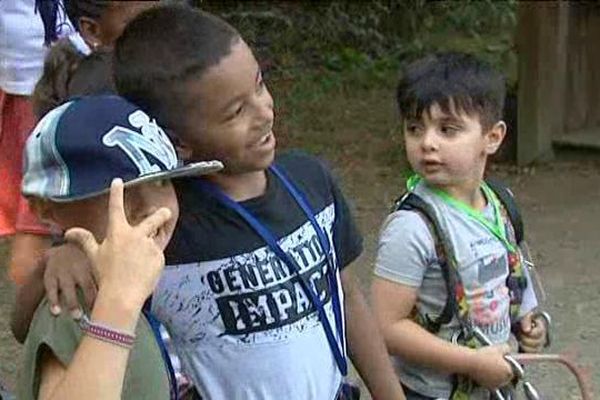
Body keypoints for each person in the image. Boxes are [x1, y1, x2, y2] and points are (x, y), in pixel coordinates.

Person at [15, 5, 406, 400]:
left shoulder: (311, 180)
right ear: (178, 141)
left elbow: (347, 296)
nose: (264, 112)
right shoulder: (165, 224)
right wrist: (65, 252)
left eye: (259, 84)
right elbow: (28, 326)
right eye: (236, 111)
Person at [15, 94, 222, 400]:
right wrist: (117, 304)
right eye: (121, 194)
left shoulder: (155, 263)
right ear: (47, 208)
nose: (152, 208)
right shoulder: (77, 300)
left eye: (162, 182)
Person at [370, 53, 549, 400]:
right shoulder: (412, 228)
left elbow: (510, 269)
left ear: (492, 138)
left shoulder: (499, 203)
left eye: (447, 129)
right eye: (414, 128)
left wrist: (527, 321)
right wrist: (471, 362)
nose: (427, 142)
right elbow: (386, 328)